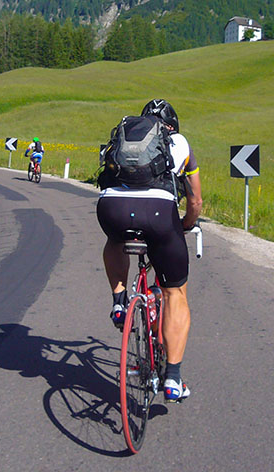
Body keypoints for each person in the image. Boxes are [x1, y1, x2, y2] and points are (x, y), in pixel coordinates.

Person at [97, 99, 202, 402]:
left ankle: (119, 302)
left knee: (114, 240)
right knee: (175, 293)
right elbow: (194, 201)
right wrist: (184, 224)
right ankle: (173, 378)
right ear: (173, 126)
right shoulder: (179, 142)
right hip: (158, 213)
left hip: (111, 207)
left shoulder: (122, 133)